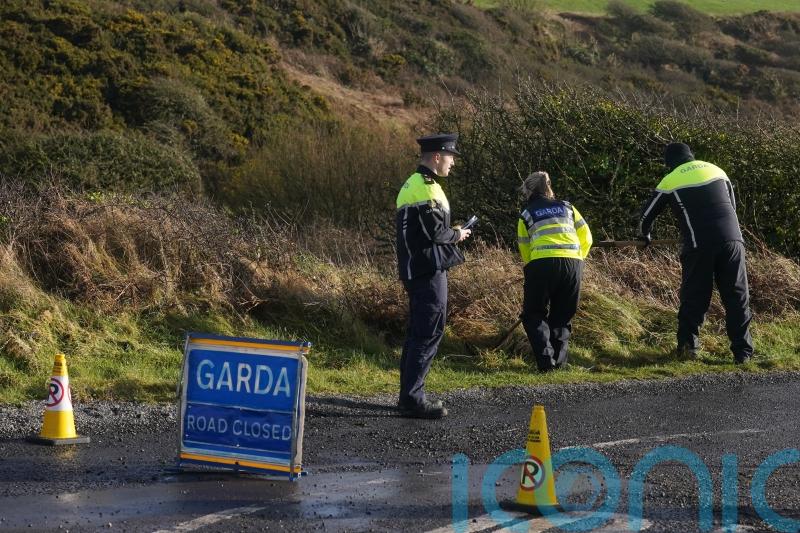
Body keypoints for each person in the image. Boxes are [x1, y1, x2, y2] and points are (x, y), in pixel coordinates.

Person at [638, 142, 753, 364]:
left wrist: (645, 236)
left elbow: (646, 216)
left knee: (695, 298)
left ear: (669, 163)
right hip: (733, 240)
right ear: (691, 156)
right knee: (737, 298)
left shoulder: (670, 180)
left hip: (699, 244)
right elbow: (732, 206)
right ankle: (743, 353)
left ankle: (688, 349)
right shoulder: (717, 170)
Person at [395, 133, 471, 419]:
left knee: (418, 333)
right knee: (427, 332)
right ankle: (413, 400)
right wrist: (458, 234)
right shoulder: (426, 188)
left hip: (418, 268)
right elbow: (436, 232)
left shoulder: (416, 184)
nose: (453, 163)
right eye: (451, 157)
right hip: (427, 270)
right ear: (437, 156)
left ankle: (408, 397)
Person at [517, 171, 592, 372]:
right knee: (562, 315)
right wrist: (578, 258)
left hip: (541, 264)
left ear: (529, 190)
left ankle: (546, 364)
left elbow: (524, 247)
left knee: (533, 314)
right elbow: (587, 237)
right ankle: (559, 364)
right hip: (573, 263)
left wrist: (531, 268)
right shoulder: (568, 208)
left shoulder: (526, 213)